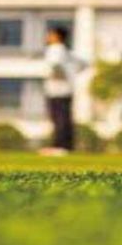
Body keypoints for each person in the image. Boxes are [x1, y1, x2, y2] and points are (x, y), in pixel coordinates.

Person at [39, 27, 87, 156]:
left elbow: (55, 65)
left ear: (57, 36)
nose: (48, 37)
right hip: (66, 89)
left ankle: (60, 146)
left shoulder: (55, 49)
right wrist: (71, 75)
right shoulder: (67, 51)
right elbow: (83, 64)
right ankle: (65, 146)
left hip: (56, 89)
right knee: (64, 118)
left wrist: (59, 76)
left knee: (59, 119)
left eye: (50, 34)